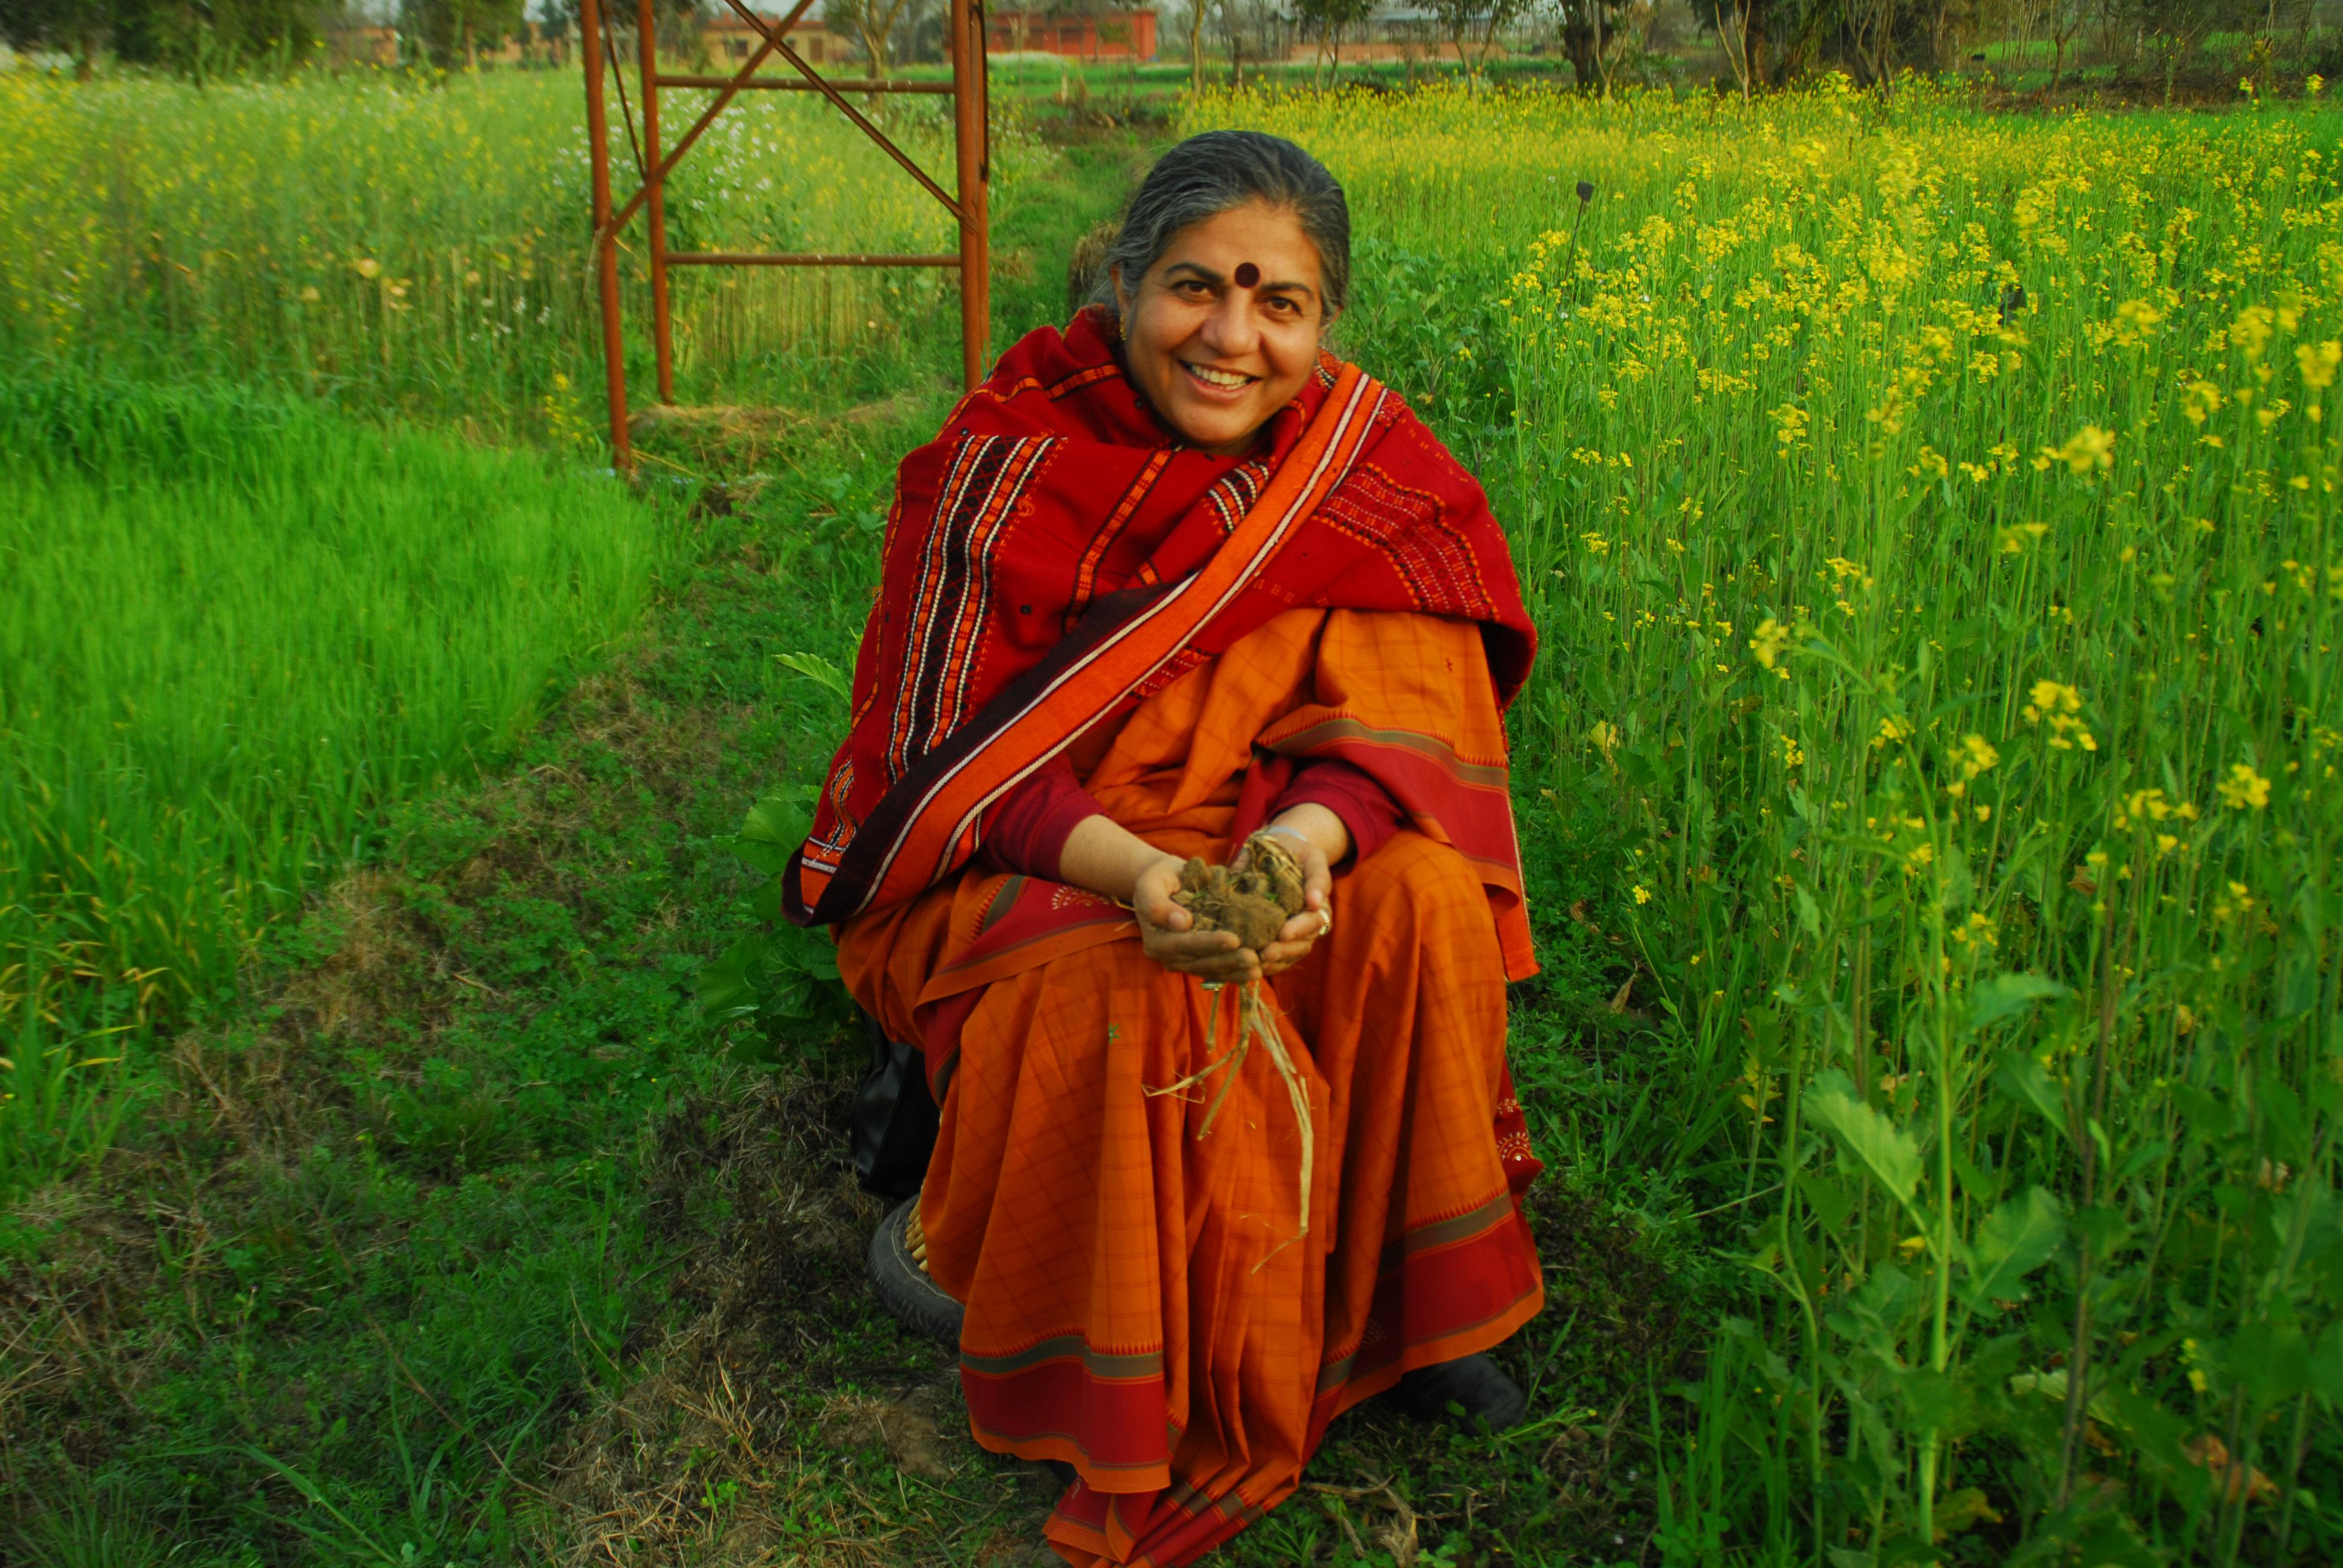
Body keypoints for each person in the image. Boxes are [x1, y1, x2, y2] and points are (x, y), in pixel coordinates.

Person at [784, 130, 1546, 1568]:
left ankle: (1413, 1304)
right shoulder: (1001, 468)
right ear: (1125, 284)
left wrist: (1307, 851)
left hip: (1270, 829)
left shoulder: (1364, 472)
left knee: (1429, 902)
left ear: (1324, 325)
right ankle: (1041, 1290)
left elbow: (1397, 717)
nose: (1232, 335)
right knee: (1144, 996)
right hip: (1028, 867)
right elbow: (955, 768)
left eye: (1281, 303)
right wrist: (1147, 879)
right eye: (1196, 288)